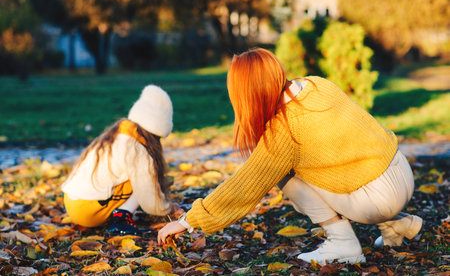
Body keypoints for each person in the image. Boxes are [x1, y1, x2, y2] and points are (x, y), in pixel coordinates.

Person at [157, 48, 422, 265]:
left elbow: (244, 187)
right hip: (399, 169)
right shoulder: (314, 84)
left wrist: (187, 221)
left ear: (247, 94)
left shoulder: (283, 133)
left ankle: (343, 243)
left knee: (285, 173)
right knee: (332, 160)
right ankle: (394, 227)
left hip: (378, 199)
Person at [62, 85, 181, 235]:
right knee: (146, 180)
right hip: (89, 211)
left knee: (145, 178)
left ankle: (119, 214)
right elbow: (151, 203)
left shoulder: (115, 136)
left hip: (72, 203)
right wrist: (170, 208)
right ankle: (121, 218)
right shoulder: (137, 148)